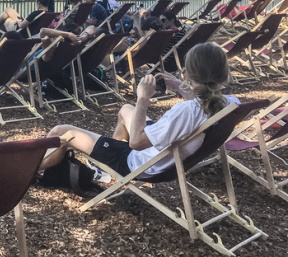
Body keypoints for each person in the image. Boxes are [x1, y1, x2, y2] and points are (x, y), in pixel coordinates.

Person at [39, 43, 237, 178]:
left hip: (141, 163)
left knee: (61, 132)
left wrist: (143, 98)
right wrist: (182, 89)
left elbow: (136, 143)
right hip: (165, 155)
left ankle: (26, 174)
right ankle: (105, 163)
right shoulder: (229, 102)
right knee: (126, 109)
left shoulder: (185, 111)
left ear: (189, 71)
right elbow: (201, 109)